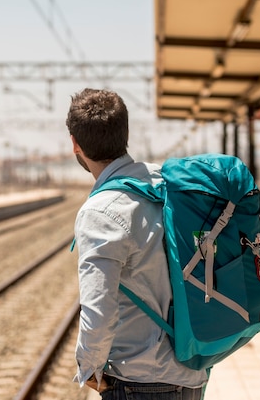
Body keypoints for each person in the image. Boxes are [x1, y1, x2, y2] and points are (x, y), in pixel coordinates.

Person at [66, 88, 208, 399]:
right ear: (124, 134)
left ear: (75, 144)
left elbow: (98, 309)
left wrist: (89, 369)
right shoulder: (164, 184)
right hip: (191, 372)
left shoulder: (100, 211)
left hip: (140, 382)